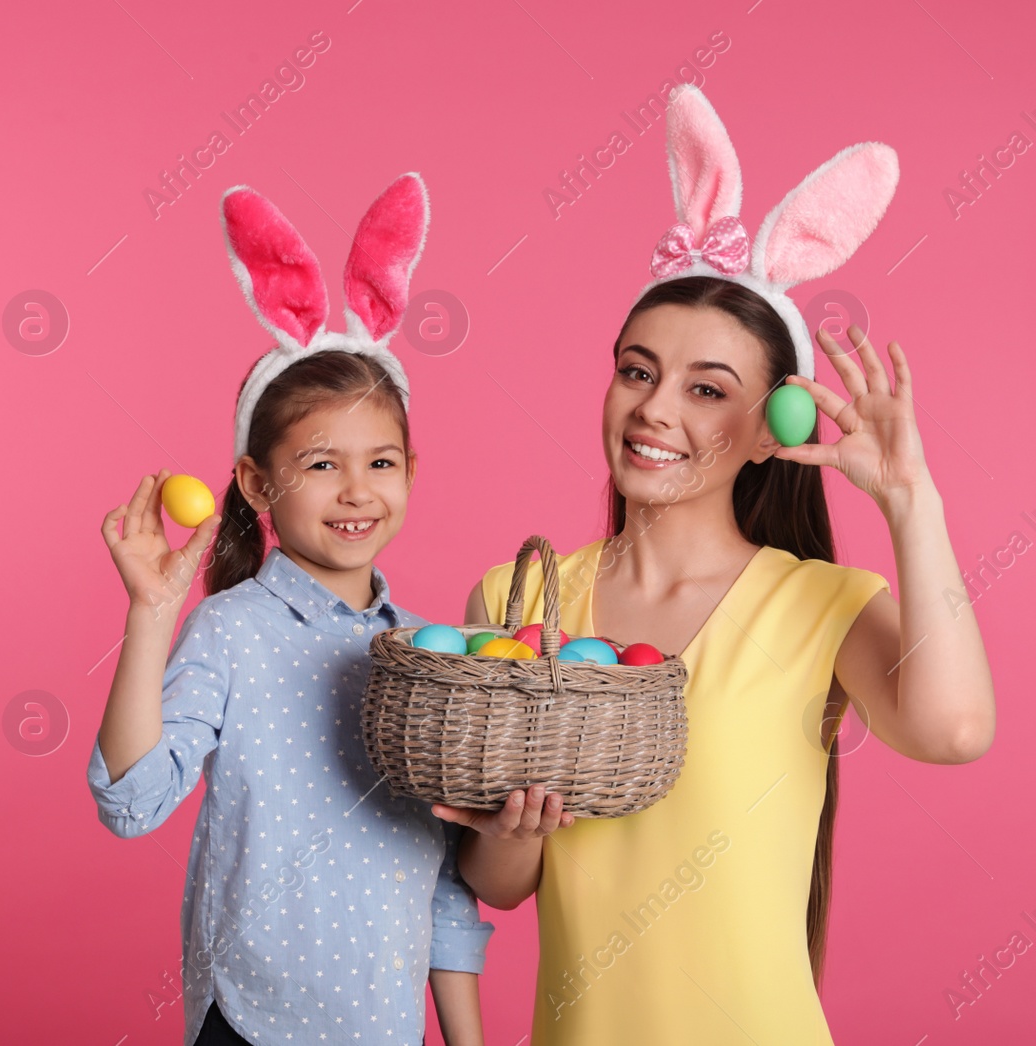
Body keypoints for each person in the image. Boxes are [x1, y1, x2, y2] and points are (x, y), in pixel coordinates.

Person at [435, 85, 995, 1044]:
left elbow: (954, 730)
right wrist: (514, 835)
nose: (656, 410)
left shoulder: (820, 605)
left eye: (707, 389)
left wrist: (912, 501)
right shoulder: (521, 599)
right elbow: (500, 884)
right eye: (638, 370)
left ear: (766, 427)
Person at [89, 174, 494, 1046]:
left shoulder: (428, 657)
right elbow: (132, 802)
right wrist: (152, 615)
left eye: (381, 463)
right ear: (255, 481)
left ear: (411, 472)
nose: (356, 491)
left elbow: (447, 881)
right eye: (320, 465)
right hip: (251, 1025)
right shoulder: (232, 631)